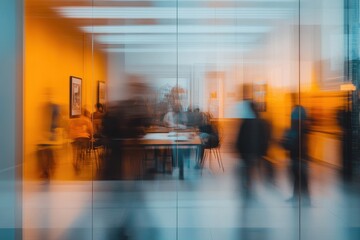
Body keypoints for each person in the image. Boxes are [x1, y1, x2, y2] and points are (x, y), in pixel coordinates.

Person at [282, 105, 310, 204]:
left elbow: (290, 144)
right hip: (299, 158)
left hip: (298, 158)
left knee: (300, 178)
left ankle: (304, 198)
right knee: (298, 178)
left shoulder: (297, 130)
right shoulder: (301, 129)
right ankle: (299, 197)